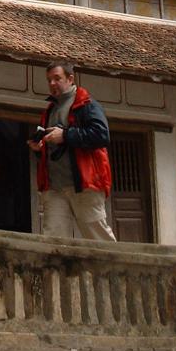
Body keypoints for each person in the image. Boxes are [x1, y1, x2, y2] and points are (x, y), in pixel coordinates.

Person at [28, 60, 115, 241]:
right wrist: (39, 149)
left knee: (98, 238)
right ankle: (56, 271)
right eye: (49, 80)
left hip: (84, 184)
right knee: (53, 240)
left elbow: (101, 135)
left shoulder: (87, 104)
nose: (52, 83)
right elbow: (52, 146)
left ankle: (116, 270)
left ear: (70, 79)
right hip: (54, 187)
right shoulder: (50, 110)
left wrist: (66, 135)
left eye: (57, 78)